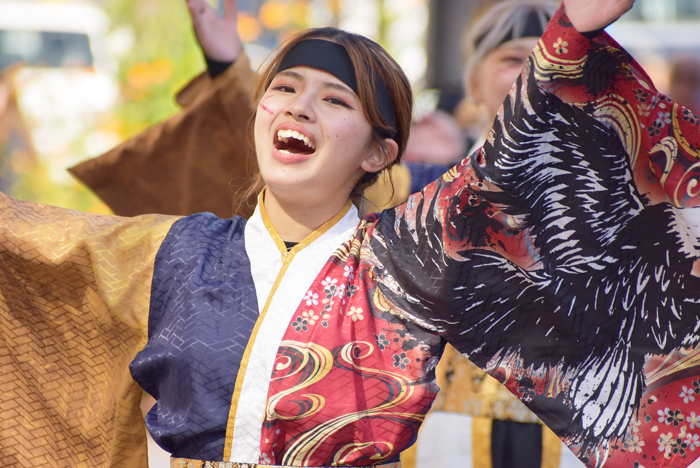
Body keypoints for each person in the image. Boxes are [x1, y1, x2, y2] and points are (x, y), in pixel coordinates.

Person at [2, 2, 700, 468]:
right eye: (284, 88)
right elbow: (28, 243)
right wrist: (227, 67)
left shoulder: (407, 258)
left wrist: (571, 28)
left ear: (379, 152)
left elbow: (512, 157)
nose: (299, 105)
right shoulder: (168, 252)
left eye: (335, 99)